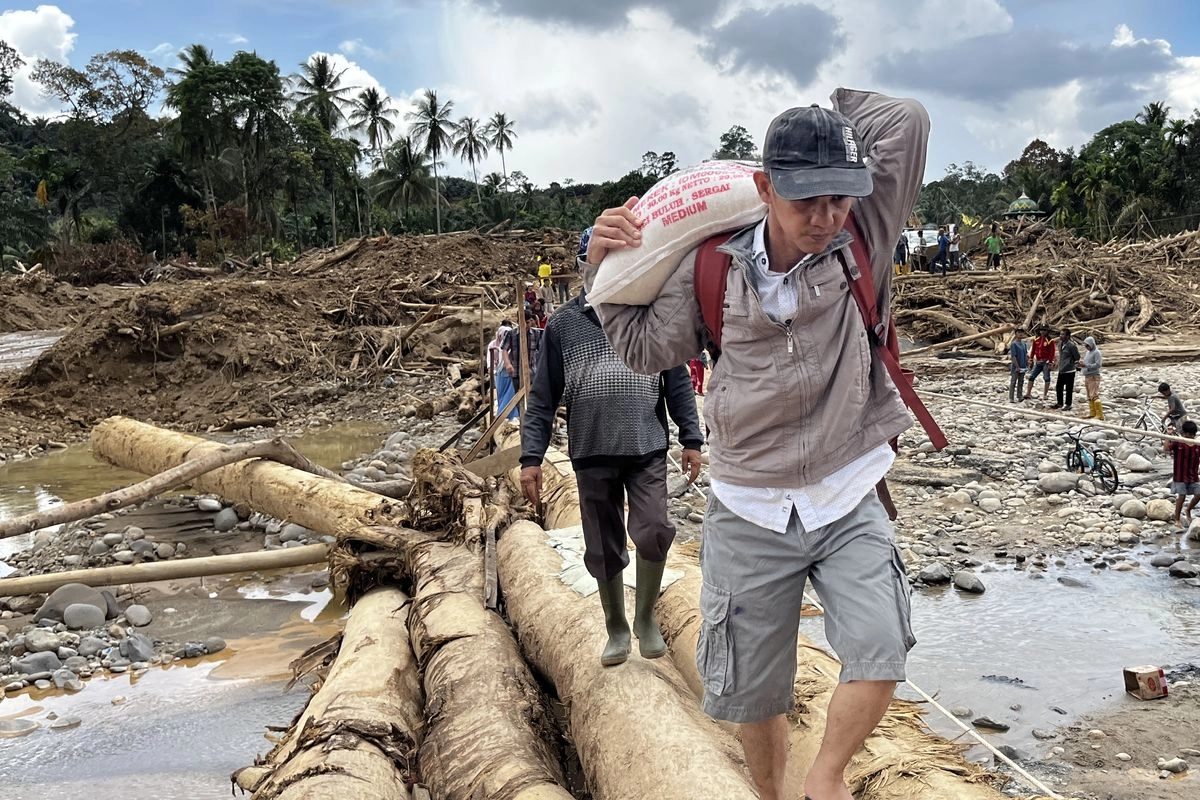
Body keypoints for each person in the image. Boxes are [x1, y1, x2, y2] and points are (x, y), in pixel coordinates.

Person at [588, 90, 928, 800]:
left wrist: (836, 110)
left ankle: (824, 779)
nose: (825, 216)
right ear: (765, 189)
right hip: (748, 505)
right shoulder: (711, 267)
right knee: (752, 689)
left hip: (846, 489)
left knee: (881, 646)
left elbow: (906, 121)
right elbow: (646, 347)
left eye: (839, 196)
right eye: (806, 199)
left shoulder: (863, 240)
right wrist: (600, 266)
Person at [519, 266, 704, 668]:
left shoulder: (648, 314)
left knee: (655, 528)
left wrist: (692, 438)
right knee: (602, 544)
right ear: (584, 268)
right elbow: (542, 396)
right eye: (595, 265)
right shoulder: (565, 324)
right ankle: (617, 626)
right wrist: (531, 458)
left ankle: (645, 617)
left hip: (646, 447)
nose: (605, 274)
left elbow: (676, 381)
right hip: (591, 451)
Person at [500, 310, 544, 420]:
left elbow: (542, 350)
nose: (528, 325)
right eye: (525, 322)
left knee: (533, 396)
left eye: (529, 322)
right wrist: (508, 364)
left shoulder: (536, 334)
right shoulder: (511, 334)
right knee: (518, 397)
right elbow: (504, 349)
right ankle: (522, 418)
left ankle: (532, 419)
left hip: (532, 371)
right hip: (516, 371)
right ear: (519, 322)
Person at [1165, 420, 1200, 528]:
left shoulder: (1197, 446)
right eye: (1187, 434)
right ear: (1184, 433)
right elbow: (1166, 449)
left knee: (1199, 493)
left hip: (1193, 476)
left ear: (1194, 435)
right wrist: (1168, 435)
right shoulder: (1178, 443)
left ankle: (1188, 510)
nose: (1189, 437)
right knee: (1182, 496)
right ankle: (1177, 519)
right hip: (1180, 476)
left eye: (1192, 435)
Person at [488, 319, 517, 417]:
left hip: (510, 373)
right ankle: (502, 414)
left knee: (510, 395)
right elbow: (490, 358)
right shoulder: (493, 345)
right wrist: (490, 369)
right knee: (501, 394)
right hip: (499, 373)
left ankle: (508, 415)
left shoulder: (512, 344)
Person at [1024, 325, 1055, 402]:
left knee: (1046, 378)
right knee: (1032, 377)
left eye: (1044, 330)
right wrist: (1031, 359)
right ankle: (1028, 393)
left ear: (1047, 331)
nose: (1043, 332)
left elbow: (1052, 352)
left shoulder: (1050, 341)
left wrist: (1050, 362)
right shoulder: (1036, 340)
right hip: (1038, 361)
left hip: (1046, 362)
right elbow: (1033, 350)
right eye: (1041, 330)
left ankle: (1045, 395)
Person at [1053, 328, 1080, 412]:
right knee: (1059, 387)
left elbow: (1077, 357)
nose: (1061, 336)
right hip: (1061, 369)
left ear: (1068, 336)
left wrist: (1070, 362)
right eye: (1060, 334)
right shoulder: (1060, 344)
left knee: (1069, 388)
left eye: (1063, 334)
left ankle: (1068, 404)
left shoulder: (1071, 345)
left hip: (1069, 370)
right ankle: (1059, 403)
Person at [1080, 335, 1103, 419]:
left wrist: (1086, 365)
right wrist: (1081, 365)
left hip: (1094, 376)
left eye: (1087, 345)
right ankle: (1092, 412)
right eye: (1085, 345)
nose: (1086, 347)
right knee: (1089, 395)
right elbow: (1087, 364)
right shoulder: (1088, 353)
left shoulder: (1097, 352)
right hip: (1087, 376)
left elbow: (1098, 365)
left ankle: (1099, 414)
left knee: (1094, 395)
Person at [1008, 327, 1029, 403]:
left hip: (1023, 365)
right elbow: (1013, 356)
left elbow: (1025, 354)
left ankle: (1019, 396)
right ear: (1016, 334)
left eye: (1022, 332)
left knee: (1021, 381)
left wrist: (1027, 363)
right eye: (1019, 332)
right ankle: (1011, 397)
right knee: (1013, 381)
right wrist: (1017, 366)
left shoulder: (1024, 344)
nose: (1020, 334)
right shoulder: (1014, 344)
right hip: (1016, 366)